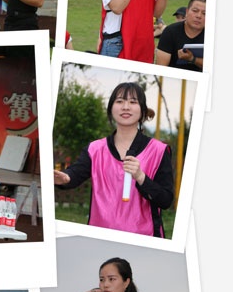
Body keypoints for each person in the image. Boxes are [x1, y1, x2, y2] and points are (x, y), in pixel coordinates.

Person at [54, 82, 174, 237]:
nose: (126, 107)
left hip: (143, 237)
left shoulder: (158, 150)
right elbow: (75, 173)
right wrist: (65, 178)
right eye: (119, 101)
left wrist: (141, 177)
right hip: (98, 236)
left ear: (142, 110)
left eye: (133, 102)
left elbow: (165, 200)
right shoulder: (95, 149)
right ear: (111, 108)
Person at [155, 0, 206, 72]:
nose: (199, 16)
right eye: (195, 11)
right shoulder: (170, 31)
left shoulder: (212, 36)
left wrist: (192, 59)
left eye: (204, 13)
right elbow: (160, 67)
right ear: (187, 12)